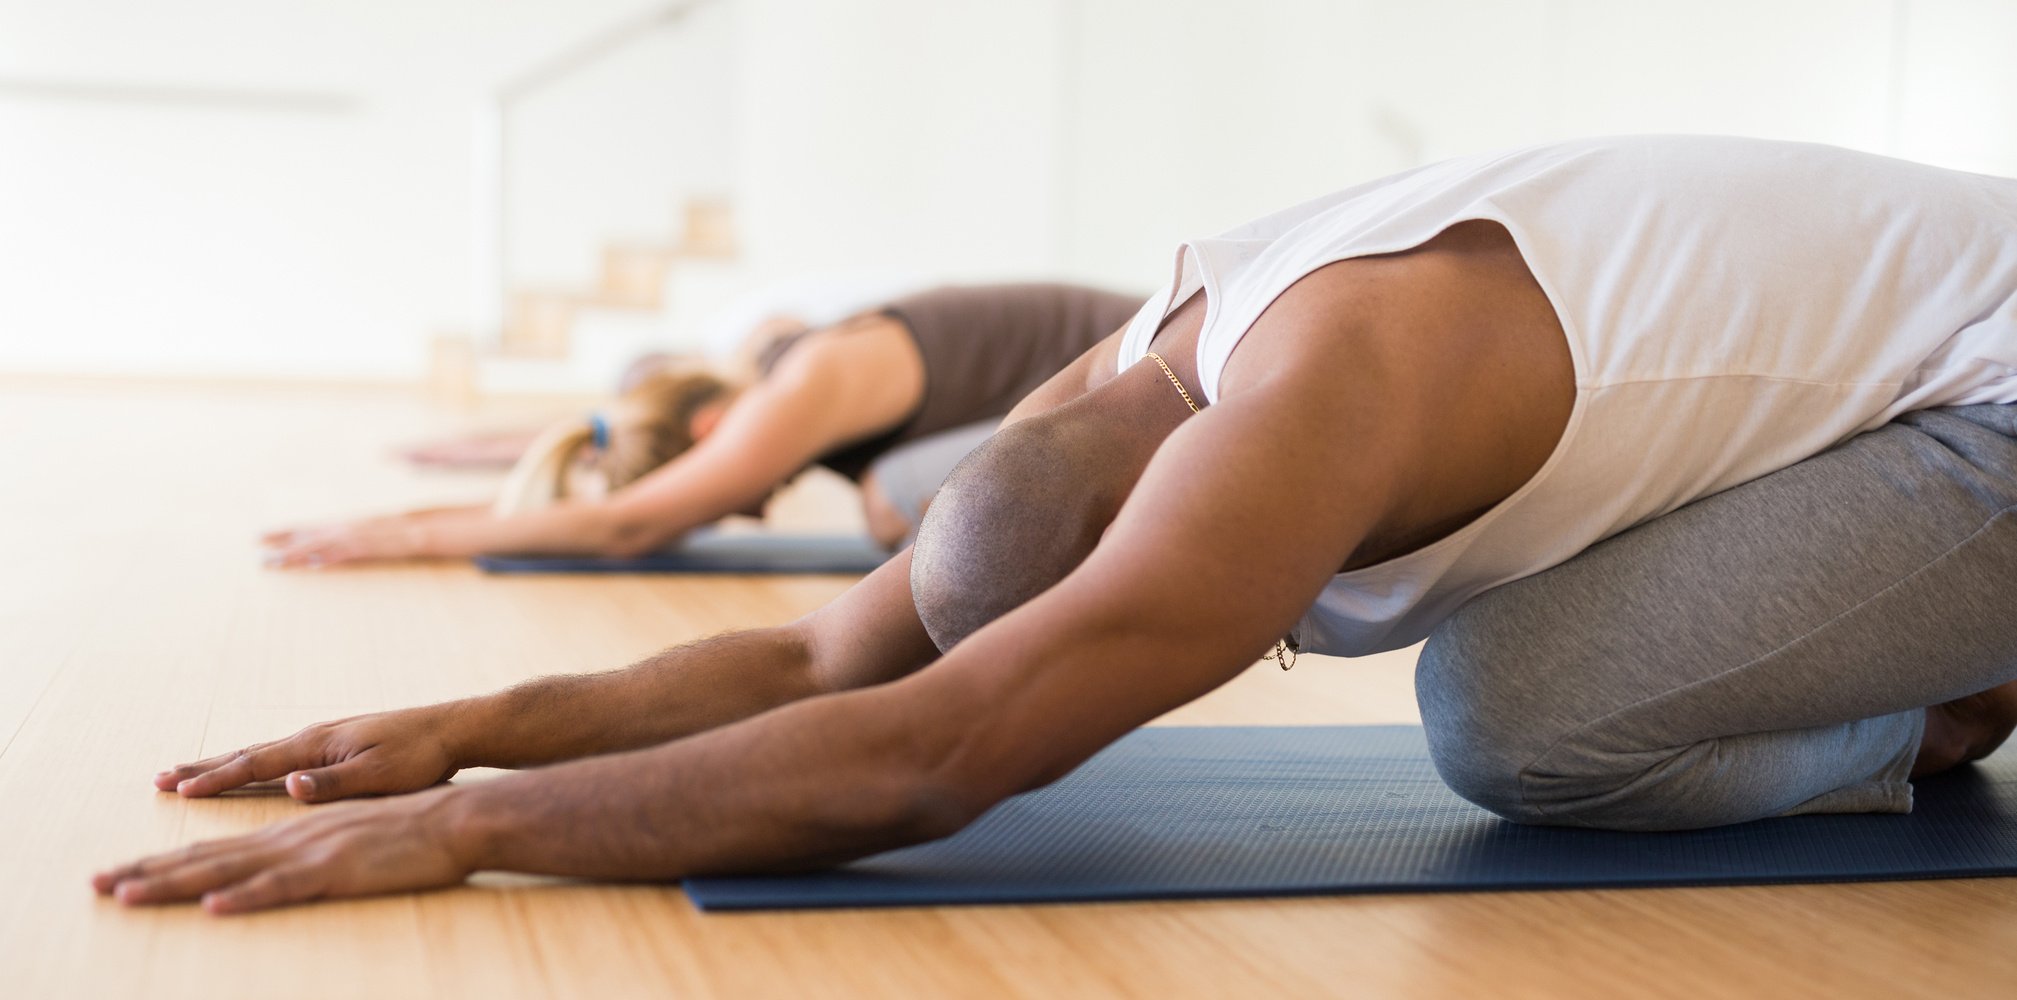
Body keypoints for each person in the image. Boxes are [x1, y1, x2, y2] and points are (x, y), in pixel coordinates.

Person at [97, 136, 2017, 914]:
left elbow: (931, 759)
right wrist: (470, 722)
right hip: (1890, 377)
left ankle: (1940, 696)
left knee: (1512, 726)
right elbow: (826, 656)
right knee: (1515, 689)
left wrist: (472, 834)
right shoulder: (1108, 378)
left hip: (1994, 394)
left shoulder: (1305, 410)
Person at [261, 283, 1144, 563]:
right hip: (1127, 370)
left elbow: (627, 521)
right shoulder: (755, 370)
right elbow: (623, 423)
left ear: (713, 428)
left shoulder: (793, 395)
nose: (746, 513)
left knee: (894, 501)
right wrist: (505, 447)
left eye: (719, 497)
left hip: (1166, 371)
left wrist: (406, 537)